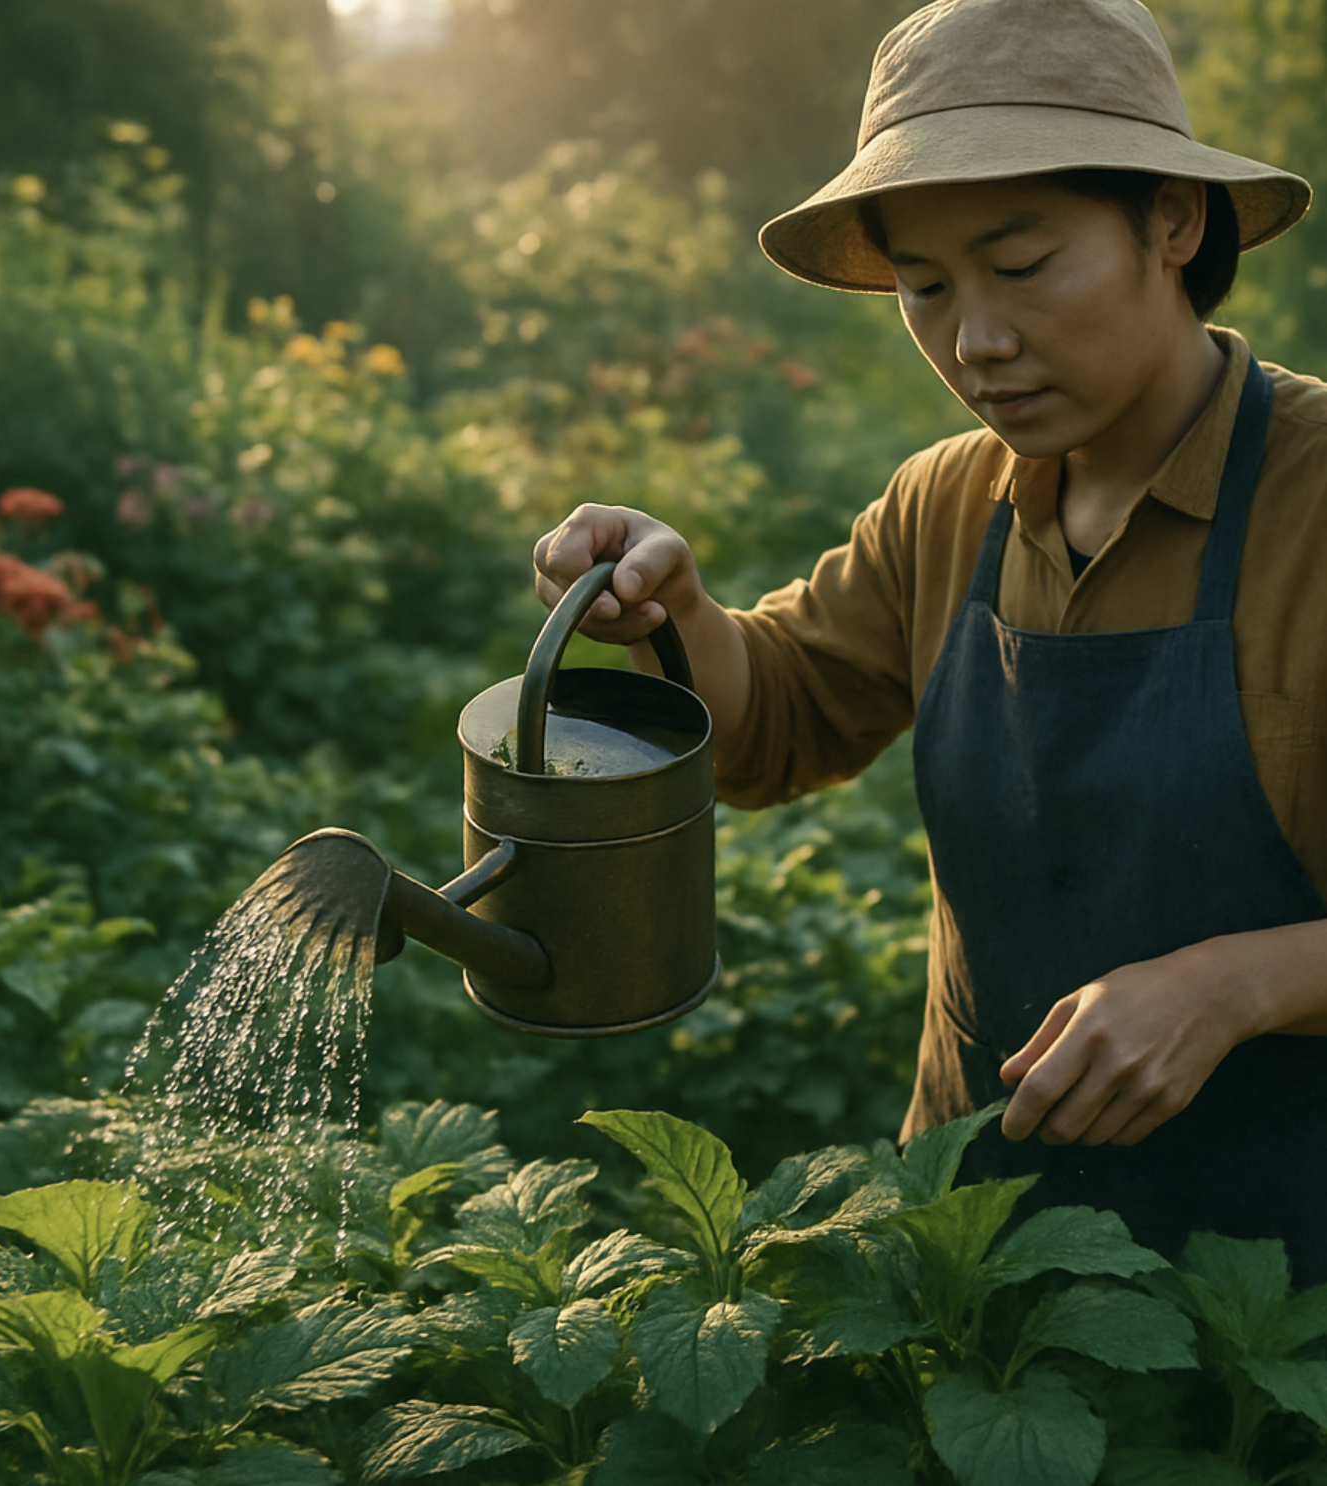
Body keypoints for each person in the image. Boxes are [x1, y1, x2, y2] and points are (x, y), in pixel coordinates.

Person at [532, 0, 1327, 1281]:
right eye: (926, 286)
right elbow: (770, 727)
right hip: (980, 1276)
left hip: (1280, 1324)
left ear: (1173, 221)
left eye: (1022, 266)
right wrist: (677, 612)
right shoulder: (949, 501)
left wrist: (1232, 986)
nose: (977, 340)